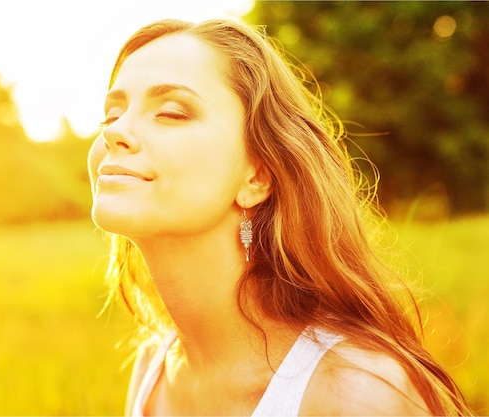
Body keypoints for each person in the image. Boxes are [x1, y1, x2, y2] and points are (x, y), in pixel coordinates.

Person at [87, 18, 471, 416]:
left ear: (257, 176)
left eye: (170, 112)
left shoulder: (355, 393)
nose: (117, 132)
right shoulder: (153, 369)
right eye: (111, 115)